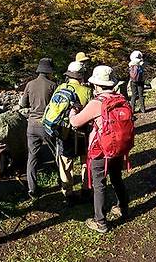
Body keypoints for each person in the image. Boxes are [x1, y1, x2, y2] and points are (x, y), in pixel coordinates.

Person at [69, 66, 130, 233]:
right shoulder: (121, 99)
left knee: (99, 184)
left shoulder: (97, 103)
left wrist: (72, 111)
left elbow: (75, 122)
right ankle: (123, 208)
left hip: (101, 150)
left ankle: (100, 222)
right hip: (118, 147)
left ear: (97, 85)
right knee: (117, 178)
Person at [54, 61, 92, 205]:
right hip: (83, 131)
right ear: (81, 75)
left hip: (64, 131)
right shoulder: (86, 91)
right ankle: (86, 189)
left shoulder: (60, 88)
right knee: (85, 161)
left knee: (65, 163)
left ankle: (67, 193)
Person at [20, 58, 57, 198]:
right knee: (56, 153)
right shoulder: (53, 85)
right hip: (47, 124)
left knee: (32, 156)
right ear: (49, 71)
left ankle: (32, 188)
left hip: (32, 125)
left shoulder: (30, 84)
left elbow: (23, 104)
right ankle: (62, 182)